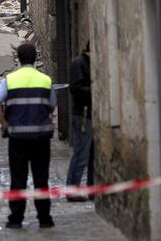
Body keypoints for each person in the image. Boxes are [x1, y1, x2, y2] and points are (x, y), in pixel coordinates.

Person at [0, 43, 55, 229]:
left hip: (17, 137)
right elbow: (51, 105)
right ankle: (45, 218)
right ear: (35, 58)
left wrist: (4, 124)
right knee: (41, 178)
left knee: (18, 177)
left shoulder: (10, 80)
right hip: (41, 137)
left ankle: (16, 218)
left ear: (18, 59)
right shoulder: (45, 80)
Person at [65, 41, 94, 202]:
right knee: (81, 153)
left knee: (93, 154)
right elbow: (76, 89)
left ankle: (92, 188)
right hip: (83, 115)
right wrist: (95, 89)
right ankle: (72, 189)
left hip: (91, 114)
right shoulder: (79, 64)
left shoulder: (88, 63)